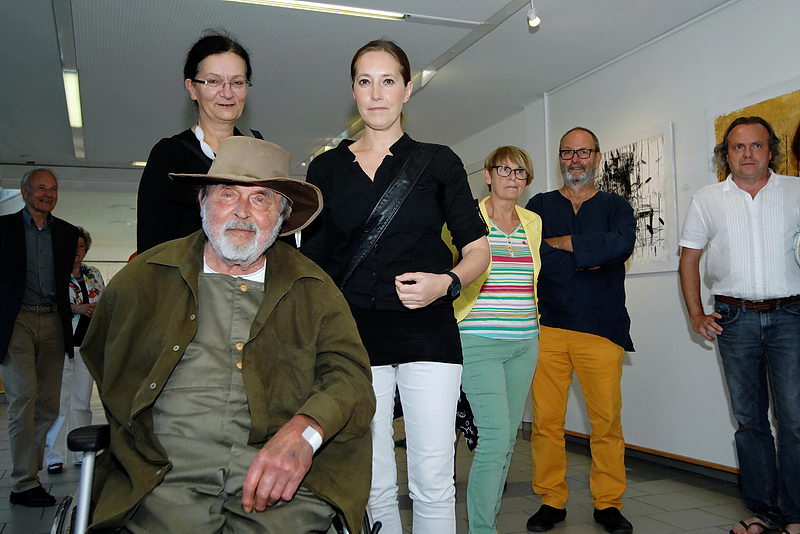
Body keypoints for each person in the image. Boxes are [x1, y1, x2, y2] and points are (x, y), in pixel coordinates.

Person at [80, 136, 376, 533]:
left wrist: (304, 433)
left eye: (260, 199)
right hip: (162, 473)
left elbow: (350, 378)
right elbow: (103, 354)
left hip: (281, 475)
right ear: (202, 202)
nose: (242, 211)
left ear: (282, 216)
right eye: (227, 194)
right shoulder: (143, 279)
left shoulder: (314, 288)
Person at [300, 40, 489, 534]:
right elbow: (314, 262)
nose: (376, 93)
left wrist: (446, 283)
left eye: (388, 81)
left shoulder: (437, 162)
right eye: (365, 81)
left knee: (433, 477)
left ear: (407, 89)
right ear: (353, 91)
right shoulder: (326, 169)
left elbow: (479, 250)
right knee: (372, 478)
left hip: (428, 331)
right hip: (353, 335)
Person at [678, 116, 800, 534]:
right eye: (738, 147)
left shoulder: (796, 191)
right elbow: (689, 260)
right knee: (750, 421)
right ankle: (763, 513)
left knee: (795, 419)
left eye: (756, 145)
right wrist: (697, 314)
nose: (747, 154)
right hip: (734, 320)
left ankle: (795, 514)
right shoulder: (707, 199)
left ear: (771, 151)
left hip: (791, 317)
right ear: (726, 155)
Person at [524, 127, 635, 534]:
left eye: (583, 152)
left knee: (606, 424)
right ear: (560, 158)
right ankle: (551, 499)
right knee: (546, 423)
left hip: (601, 329)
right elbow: (534, 257)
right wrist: (590, 254)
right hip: (547, 328)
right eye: (567, 152)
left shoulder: (615, 205)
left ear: (597, 157)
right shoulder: (539, 205)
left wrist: (564, 243)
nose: (575, 159)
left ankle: (608, 503)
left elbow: (621, 246)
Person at [444, 146, 541, 534]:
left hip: (525, 342)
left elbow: (533, 278)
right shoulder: (466, 219)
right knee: (496, 439)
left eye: (521, 173)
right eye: (505, 170)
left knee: (507, 442)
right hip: (478, 339)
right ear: (487, 175)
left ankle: (489, 522)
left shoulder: (532, 222)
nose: (513, 179)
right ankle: (482, 529)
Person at [0, 169, 78, 507]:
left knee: (47, 405)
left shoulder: (67, 233)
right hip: (17, 321)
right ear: (24, 192)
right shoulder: (3, 229)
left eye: (53, 189)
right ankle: (23, 482)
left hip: (53, 323)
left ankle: (29, 476)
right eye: (41, 188)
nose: (48, 194)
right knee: (23, 399)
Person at [136, 32, 252, 253]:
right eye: (214, 81)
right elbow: (152, 247)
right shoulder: (170, 155)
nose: (227, 93)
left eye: (237, 82)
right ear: (191, 88)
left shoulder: (259, 155)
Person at [44, 226, 104, 474]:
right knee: (60, 402)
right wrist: (75, 309)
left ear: (86, 249)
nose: (77, 250)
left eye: (81, 246)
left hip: (86, 344)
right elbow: (48, 304)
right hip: (60, 343)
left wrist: (98, 308)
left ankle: (81, 451)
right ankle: (54, 456)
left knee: (81, 401)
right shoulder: (55, 273)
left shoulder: (93, 273)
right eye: (73, 246)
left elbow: (105, 299)